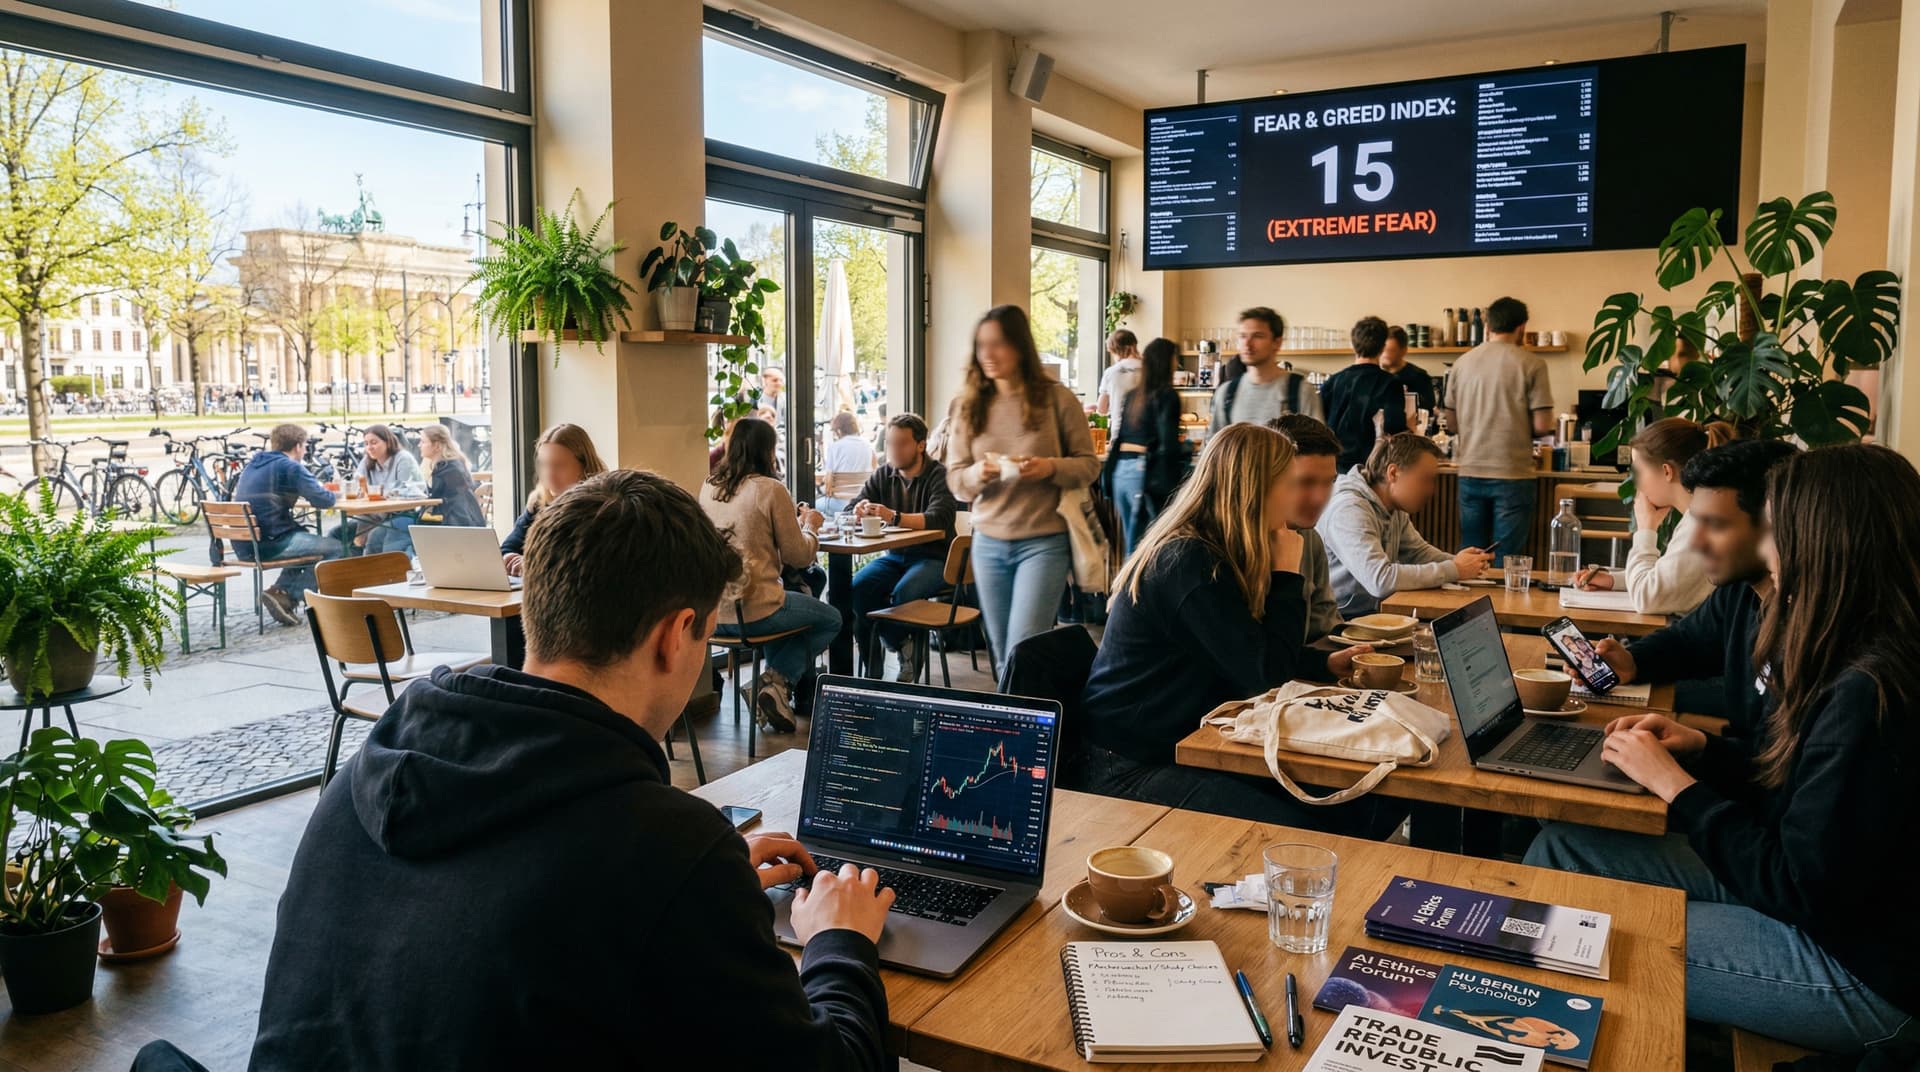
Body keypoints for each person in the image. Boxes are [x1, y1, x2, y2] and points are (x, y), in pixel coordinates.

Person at [249, 470, 897, 1070]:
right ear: (676, 636)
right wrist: (838, 941)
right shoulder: (666, 851)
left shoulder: (354, 785)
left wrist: (706, 887)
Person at [1525, 444, 1920, 1055]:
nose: (1769, 552)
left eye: (1778, 533)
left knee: (1575, 940)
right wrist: (1705, 750)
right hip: (1814, 898)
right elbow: (1804, 801)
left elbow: (1797, 884)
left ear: (1824, 544)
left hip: (1860, 966)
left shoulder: (1869, 690)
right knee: (1561, 845)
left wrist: (1679, 787)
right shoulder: (1845, 647)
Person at [1079, 424, 1377, 828]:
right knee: (1305, 827)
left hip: (1184, 738)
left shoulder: (1220, 548)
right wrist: (1287, 576)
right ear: (1256, 488)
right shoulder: (1189, 561)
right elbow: (1263, 674)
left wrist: (1324, 665)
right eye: (1291, 484)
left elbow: (1243, 648)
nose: (1304, 498)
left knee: (1355, 803)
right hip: (1129, 761)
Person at [1587, 438, 1798, 736]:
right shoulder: (1740, 591)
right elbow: (1687, 640)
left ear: (1776, 524)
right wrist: (1633, 661)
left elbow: (1774, 774)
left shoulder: (1807, 633)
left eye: (1715, 525)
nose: (1697, 544)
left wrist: (1679, 772)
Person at [945, 305, 1101, 676]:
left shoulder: (1057, 398)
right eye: (981, 345)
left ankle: (1024, 727)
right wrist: (980, 473)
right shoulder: (969, 404)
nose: (988, 354)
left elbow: (1089, 465)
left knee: (1023, 648)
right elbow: (954, 478)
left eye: (998, 344)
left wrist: (1049, 467)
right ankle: (1009, 729)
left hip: (1044, 542)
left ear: (1020, 346)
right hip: (988, 543)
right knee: (1001, 653)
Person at [701, 418, 841, 731]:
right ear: (767, 451)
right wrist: (810, 526)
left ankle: (773, 688)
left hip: (713, 613)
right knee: (831, 618)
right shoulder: (771, 490)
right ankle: (773, 682)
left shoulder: (709, 487)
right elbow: (799, 556)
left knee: (794, 616)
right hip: (757, 609)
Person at [1573, 418, 1733, 615]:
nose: (1637, 484)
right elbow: (1668, 579)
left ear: (1666, 471)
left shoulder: (1700, 524)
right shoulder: (1698, 515)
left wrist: (1646, 531)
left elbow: (1647, 599)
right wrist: (1615, 580)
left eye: (1639, 471)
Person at [1319, 433, 1490, 617]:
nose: (1431, 490)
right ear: (1393, 473)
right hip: (1340, 623)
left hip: (1374, 615)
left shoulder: (1394, 506)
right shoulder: (1349, 509)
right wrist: (1455, 569)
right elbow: (1380, 580)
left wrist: (1465, 563)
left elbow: (1418, 552)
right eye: (1425, 479)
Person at [1439, 296, 1552, 564]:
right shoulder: (1532, 364)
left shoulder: (1461, 364)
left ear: (1487, 325)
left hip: (1470, 471)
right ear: (1522, 326)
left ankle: (1470, 605)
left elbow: (1451, 424)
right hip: (1513, 473)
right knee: (1507, 560)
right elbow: (1542, 425)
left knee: (1470, 559)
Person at [847, 413, 957, 682]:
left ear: (920, 445)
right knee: (858, 587)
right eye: (890, 443)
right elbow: (851, 507)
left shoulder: (939, 475)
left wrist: (893, 516)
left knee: (905, 592)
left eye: (902, 443)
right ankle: (878, 663)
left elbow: (939, 518)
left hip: (935, 558)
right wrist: (858, 511)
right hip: (896, 557)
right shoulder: (884, 473)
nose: (894, 449)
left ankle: (905, 651)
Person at [230, 423, 341, 626]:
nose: (306, 450)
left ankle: (278, 592)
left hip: (245, 543)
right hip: (271, 543)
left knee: (309, 541)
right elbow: (324, 500)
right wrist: (337, 491)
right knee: (337, 548)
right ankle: (290, 596)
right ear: (298, 446)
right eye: (305, 446)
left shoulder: (254, 464)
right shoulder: (290, 466)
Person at [1105, 337, 1189, 556]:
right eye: (1175, 358)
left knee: (1132, 543)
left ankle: (1127, 587)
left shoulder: (1134, 395)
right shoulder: (1167, 395)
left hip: (1121, 473)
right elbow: (1168, 443)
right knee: (1146, 547)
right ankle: (1131, 589)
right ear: (1167, 361)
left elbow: (1121, 436)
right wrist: (1186, 450)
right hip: (1143, 474)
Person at [1269, 415, 1345, 645]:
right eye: (1306, 482)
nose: (1320, 498)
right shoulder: (1237, 546)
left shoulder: (1310, 538)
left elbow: (1324, 625)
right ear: (1271, 477)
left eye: (1329, 482)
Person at [500, 423, 607, 577]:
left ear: (584, 467)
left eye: (559, 465)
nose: (549, 474)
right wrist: (509, 558)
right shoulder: (539, 502)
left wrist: (532, 564)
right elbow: (509, 547)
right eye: (544, 464)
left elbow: (583, 562)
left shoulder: (603, 507)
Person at [1318, 316, 1410, 472]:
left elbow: (1319, 426)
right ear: (1382, 347)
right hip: (1371, 469)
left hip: (1334, 469)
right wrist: (1411, 427)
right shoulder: (1390, 383)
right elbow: (1394, 430)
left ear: (1353, 345)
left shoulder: (1333, 381)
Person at [1208, 306, 1320, 433]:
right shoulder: (1226, 394)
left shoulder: (1301, 391)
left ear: (1277, 342)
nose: (1247, 343)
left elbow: (1320, 450)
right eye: (1243, 336)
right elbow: (1212, 449)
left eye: (1258, 336)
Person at [351, 423, 424, 555]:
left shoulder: (403, 458)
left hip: (404, 514)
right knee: (338, 533)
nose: (369, 447)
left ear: (387, 442)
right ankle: (352, 571)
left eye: (374, 442)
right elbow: (358, 485)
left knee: (375, 537)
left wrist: (378, 493)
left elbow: (404, 490)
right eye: (366, 443)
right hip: (373, 514)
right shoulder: (367, 461)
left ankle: (385, 571)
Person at [416, 424, 487, 528]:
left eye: (423, 441)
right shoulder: (447, 465)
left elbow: (452, 501)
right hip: (459, 522)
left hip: (455, 525)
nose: (419, 445)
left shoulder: (449, 469)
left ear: (436, 446)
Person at [816, 410, 876, 513]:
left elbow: (829, 485)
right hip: (863, 504)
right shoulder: (868, 445)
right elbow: (874, 472)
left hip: (839, 503)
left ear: (839, 430)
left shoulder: (834, 447)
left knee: (812, 504)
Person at [1380, 325, 1435, 415]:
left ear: (1404, 350)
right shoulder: (1373, 376)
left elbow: (1428, 411)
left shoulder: (1420, 377)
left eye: (1390, 350)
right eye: (1382, 350)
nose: (1384, 355)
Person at [1095, 329, 1142, 433]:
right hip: (1146, 434)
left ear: (1115, 350)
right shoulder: (1149, 369)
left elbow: (1102, 409)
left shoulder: (1111, 372)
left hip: (1120, 433)